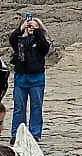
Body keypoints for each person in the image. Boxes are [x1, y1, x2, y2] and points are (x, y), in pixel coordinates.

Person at [8, 12, 51, 142]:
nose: (30, 27)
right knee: (19, 107)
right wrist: (21, 28)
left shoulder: (40, 39)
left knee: (36, 106)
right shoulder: (20, 39)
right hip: (21, 77)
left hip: (36, 78)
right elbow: (12, 39)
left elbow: (44, 48)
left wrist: (37, 31)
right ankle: (16, 133)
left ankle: (35, 133)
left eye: (34, 25)